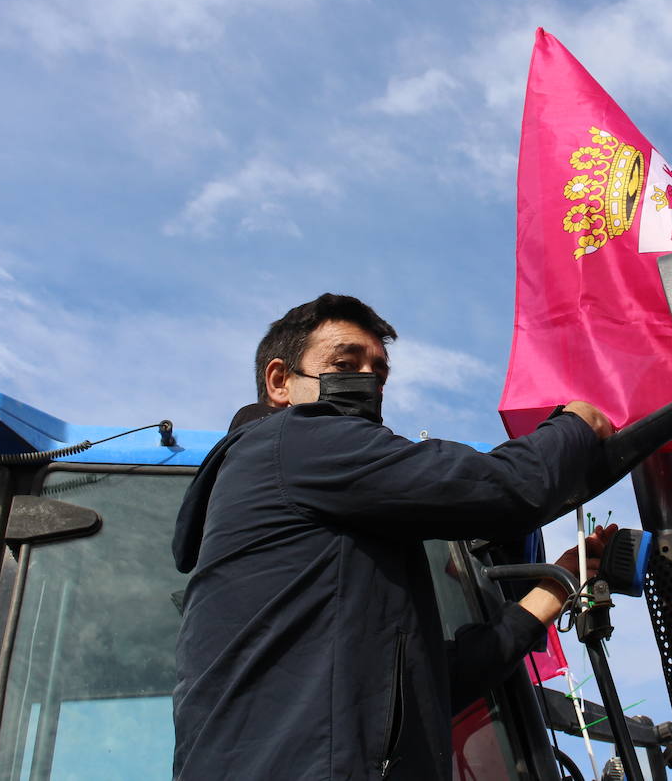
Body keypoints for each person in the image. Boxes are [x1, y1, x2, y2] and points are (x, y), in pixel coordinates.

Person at [172, 293, 618, 780]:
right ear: (280, 382)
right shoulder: (295, 442)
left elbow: (419, 689)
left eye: (378, 372)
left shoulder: (320, 553)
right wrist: (577, 423)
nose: (366, 381)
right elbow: (502, 489)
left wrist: (554, 589)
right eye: (345, 363)